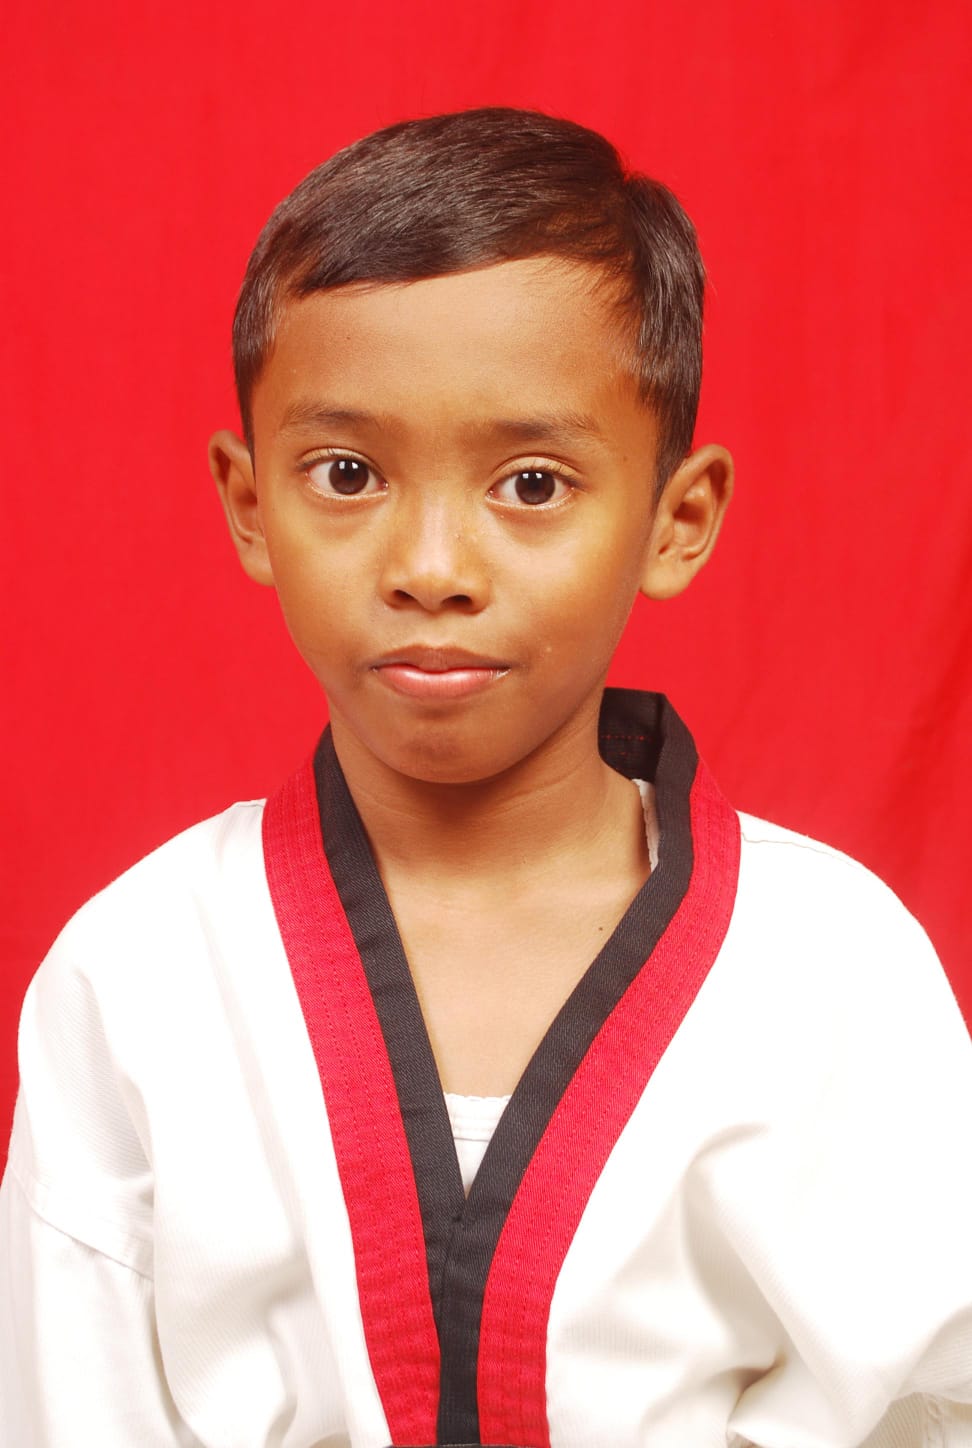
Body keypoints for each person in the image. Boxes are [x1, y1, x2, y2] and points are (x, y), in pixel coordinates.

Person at [1, 107, 970, 1448]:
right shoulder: (136, 972)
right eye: (348, 473)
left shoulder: (835, 967)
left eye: (532, 483)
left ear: (676, 519)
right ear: (248, 501)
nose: (432, 567)